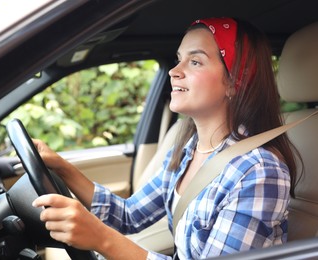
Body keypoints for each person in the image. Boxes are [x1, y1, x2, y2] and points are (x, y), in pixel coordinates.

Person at [31, 17, 300, 259]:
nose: (174, 71)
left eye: (195, 61)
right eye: (178, 59)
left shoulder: (259, 171)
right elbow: (129, 215)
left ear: (234, 82)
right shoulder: (189, 150)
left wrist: (102, 239)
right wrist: (63, 168)